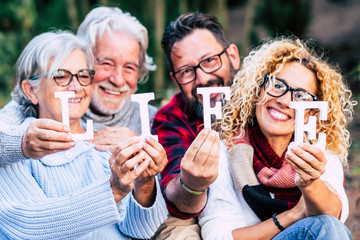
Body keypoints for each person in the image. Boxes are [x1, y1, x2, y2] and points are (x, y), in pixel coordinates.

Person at [0, 31, 168, 239]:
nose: (77, 87)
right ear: (31, 90)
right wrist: (113, 190)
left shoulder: (107, 147)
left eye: (82, 76)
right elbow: (26, 226)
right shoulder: (14, 149)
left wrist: (145, 182)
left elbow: (142, 230)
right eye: (61, 76)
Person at [198, 37, 354, 239]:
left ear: (312, 112)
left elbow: (334, 219)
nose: (285, 101)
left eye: (302, 96)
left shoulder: (319, 156)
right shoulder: (223, 152)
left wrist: (310, 183)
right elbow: (217, 236)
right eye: (277, 85)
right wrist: (293, 215)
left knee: (328, 226)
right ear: (257, 90)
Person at [0, 6, 157, 163]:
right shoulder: (32, 107)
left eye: (130, 68)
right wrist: (23, 144)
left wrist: (141, 148)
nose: (118, 80)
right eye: (107, 63)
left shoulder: (152, 119)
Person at [151, 12, 240, 238]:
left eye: (209, 60)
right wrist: (192, 184)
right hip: (195, 220)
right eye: (187, 71)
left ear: (233, 56)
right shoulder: (171, 118)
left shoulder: (269, 103)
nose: (201, 79)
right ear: (175, 79)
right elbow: (178, 197)